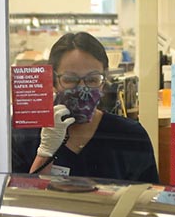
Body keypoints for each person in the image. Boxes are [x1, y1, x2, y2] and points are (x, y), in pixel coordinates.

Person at [12, 32, 159, 183]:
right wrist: (45, 153)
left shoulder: (130, 136)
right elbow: (20, 199)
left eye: (92, 79)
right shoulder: (25, 132)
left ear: (104, 83)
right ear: (53, 81)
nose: (82, 88)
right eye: (70, 79)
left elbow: (145, 199)